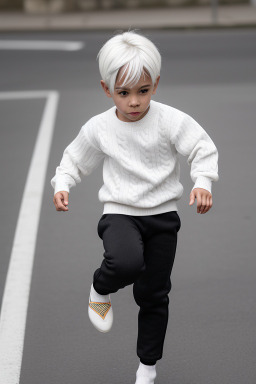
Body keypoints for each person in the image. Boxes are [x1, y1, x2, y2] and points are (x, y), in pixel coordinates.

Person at [51, 31, 219, 384]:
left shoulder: (170, 120)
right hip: (120, 212)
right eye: (123, 93)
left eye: (143, 91)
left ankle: (147, 368)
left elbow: (201, 148)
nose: (134, 102)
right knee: (125, 262)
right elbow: (74, 158)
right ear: (106, 89)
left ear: (155, 84)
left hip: (162, 216)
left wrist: (202, 182)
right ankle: (100, 289)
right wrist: (62, 183)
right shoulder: (99, 127)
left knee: (153, 295)